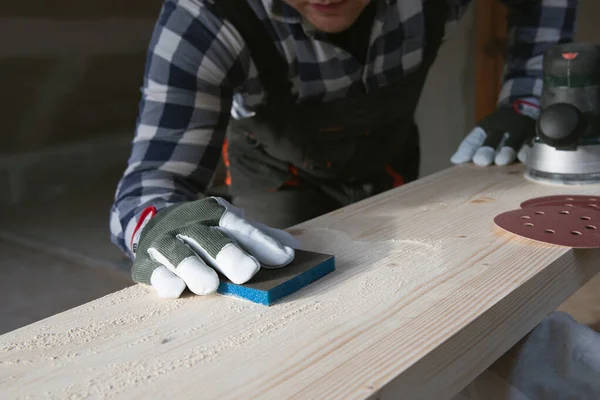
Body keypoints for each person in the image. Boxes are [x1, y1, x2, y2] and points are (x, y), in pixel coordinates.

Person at [109, 1, 600, 397]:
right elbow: (154, 177)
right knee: (284, 324)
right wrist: (158, 221)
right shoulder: (204, 17)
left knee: (410, 307)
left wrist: (526, 99)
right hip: (277, 177)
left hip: (385, 165)